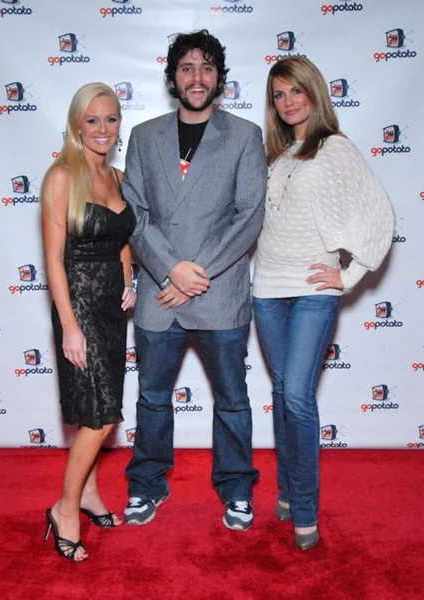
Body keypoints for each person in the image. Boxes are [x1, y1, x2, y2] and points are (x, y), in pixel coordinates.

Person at [121, 30, 267, 531]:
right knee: (152, 399)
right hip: (160, 294)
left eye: (206, 68)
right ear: (172, 78)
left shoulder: (245, 135)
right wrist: (170, 269)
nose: (197, 77)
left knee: (232, 400)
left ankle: (236, 488)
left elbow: (248, 216)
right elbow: (134, 215)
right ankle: (146, 483)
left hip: (219, 294)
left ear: (219, 78)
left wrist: (193, 274)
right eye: (187, 67)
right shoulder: (144, 136)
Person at [252, 56, 395, 550]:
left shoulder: (335, 148)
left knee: (296, 394)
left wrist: (349, 273)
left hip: (314, 288)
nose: (288, 102)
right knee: (282, 394)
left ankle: (305, 510)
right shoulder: (278, 155)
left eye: (296, 91)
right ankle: (289, 492)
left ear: (314, 92)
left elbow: (379, 213)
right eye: (278, 95)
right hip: (267, 287)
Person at [41, 82, 136, 561]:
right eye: (93, 119)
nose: (103, 128)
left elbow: (122, 237)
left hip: (112, 311)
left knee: (102, 411)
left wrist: (129, 279)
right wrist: (69, 325)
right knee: (99, 418)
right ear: (78, 124)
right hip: (78, 305)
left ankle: (91, 494)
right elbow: (54, 261)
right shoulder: (63, 176)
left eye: (111, 118)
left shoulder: (117, 177)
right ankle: (64, 510)